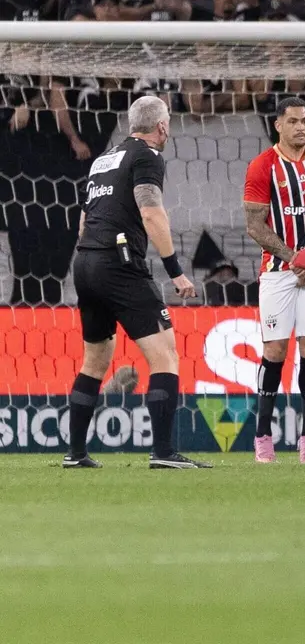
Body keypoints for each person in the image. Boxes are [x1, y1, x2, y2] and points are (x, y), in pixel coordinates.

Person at [65, 95, 207, 469]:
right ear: (161, 126)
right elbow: (151, 211)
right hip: (118, 264)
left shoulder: (103, 159)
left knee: (94, 361)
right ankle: (162, 453)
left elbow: (85, 219)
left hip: (85, 261)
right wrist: (175, 270)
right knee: (165, 355)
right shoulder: (148, 156)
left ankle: (75, 454)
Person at [242, 97, 305, 465]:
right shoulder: (262, 166)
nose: (302, 127)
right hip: (276, 273)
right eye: (295, 121)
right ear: (278, 125)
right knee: (275, 352)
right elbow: (254, 224)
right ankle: (263, 436)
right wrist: (292, 256)